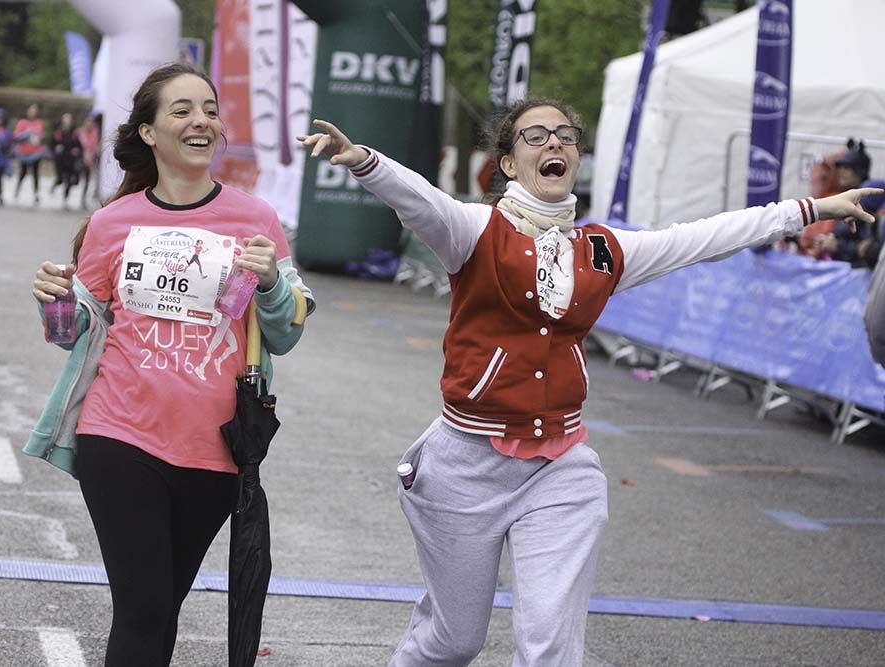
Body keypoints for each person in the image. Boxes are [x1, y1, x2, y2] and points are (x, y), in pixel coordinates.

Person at [298, 99, 881, 667]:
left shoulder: (603, 250)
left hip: (561, 468)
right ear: (509, 163)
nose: (554, 142)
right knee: (453, 641)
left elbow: (704, 237)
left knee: (550, 646)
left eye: (566, 136)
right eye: (535, 135)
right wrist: (364, 161)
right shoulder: (474, 230)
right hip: (464, 466)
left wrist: (809, 209)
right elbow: (420, 199)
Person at [27, 61, 313, 666]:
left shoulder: (256, 219)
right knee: (142, 608)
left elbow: (286, 332)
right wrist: (54, 301)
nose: (201, 120)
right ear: (149, 132)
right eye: (182, 110)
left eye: (209, 109)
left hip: (216, 448)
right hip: (119, 434)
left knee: (162, 611)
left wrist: (269, 283)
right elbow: (70, 334)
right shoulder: (112, 224)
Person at [13, 103, 46, 206]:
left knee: (35, 174)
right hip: (24, 153)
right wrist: (26, 134)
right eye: (31, 110)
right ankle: (17, 191)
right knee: (22, 173)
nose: (32, 112)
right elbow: (16, 136)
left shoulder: (39, 123)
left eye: (35, 111)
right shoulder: (22, 122)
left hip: (35, 153)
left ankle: (36, 194)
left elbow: (40, 136)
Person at [50, 112, 83, 208]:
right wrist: (56, 148)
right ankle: (54, 186)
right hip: (60, 160)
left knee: (68, 180)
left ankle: (65, 199)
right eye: (65, 119)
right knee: (60, 179)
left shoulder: (74, 133)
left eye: (69, 119)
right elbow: (51, 145)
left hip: (70, 160)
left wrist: (77, 150)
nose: (67, 121)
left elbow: (79, 146)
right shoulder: (58, 132)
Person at [77, 114, 101, 210]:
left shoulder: (95, 133)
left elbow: (97, 145)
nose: (89, 124)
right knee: (76, 179)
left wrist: (97, 149)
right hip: (80, 158)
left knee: (87, 180)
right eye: (88, 122)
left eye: (91, 123)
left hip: (90, 160)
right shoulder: (80, 133)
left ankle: (83, 199)